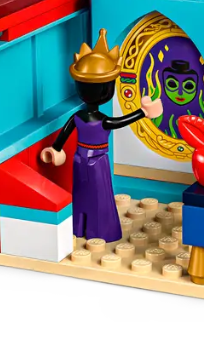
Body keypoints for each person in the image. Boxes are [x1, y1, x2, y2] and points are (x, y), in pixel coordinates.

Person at [40, 30, 162, 242]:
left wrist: (55, 149)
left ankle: (80, 228)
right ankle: (99, 231)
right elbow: (121, 121)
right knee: (99, 197)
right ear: (107, 89)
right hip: (97, 162)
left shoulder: (78, 117)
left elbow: (63, 136)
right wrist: (143, 112)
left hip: (79, 160)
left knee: (83, 195)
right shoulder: (103, 120)